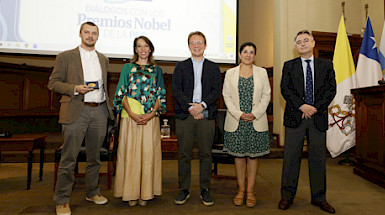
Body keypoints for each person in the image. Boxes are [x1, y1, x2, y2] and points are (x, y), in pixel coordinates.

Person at [48, 22, 114, 215]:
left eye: (94, 33)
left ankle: (92, 192)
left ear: (97, 36)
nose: (90, 36)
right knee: (69, 159)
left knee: (94, 158)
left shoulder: (103, 59)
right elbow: (53, 83)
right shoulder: (65, 56)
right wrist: (75, 89)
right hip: (76, 110)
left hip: (100, 111)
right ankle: (62, 200)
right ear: (80, 34)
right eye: (87, 32)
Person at [279, 30, 337, 213]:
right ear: (295, 47)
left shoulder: (326, 65)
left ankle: (319, 198)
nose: (302, 44)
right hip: (295, 117)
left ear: (313, 43)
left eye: (306, 40)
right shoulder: (289, 66)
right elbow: (285, 90)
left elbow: (331, 89)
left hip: (317, 117)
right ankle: (287, 196)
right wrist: (302, 106)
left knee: (318, 159)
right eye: (299, 42)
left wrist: (314, 108)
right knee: (291, 159)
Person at [113, 36, 166, 207]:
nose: (142, 49)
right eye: (139, 46)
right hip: (131, 118)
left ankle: (146, 192)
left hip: (150, 118)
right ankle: (130, 192)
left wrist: (151, 114)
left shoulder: (157, 70)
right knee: (131, 155)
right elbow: (121, 93)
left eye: (146, 46)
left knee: (148, 155)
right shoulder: (127, 67)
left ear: (151, 49)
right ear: (135, 49)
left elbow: (160, 94)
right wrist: (132, 114)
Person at [172, 31, 221, 206]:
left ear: (205, 45)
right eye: (193, 43)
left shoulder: (214, 67)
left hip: (206, 114)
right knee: (184, 153)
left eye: (200, 42)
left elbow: (216, 91)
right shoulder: (180, 66)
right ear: (189, 46)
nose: (197, 45)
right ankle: (183, 189)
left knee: (206, 153)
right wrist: (191, 107)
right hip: (185, 115)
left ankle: (205, 189)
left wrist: (202, 105)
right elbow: (176, 90)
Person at [222, 42, 271, 208]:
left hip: (256, 121)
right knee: (239, 156)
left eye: (251, 52)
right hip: (237, 121)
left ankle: (250, 191)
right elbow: (226, 96)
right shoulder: (230, 73)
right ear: (240, 54)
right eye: (245, 52)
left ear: (255, 56)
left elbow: (266, 95)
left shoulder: (262, 73)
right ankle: (241, 190)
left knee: (253, 156)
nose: (248, 55)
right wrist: (239, 114)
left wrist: (255, 114)